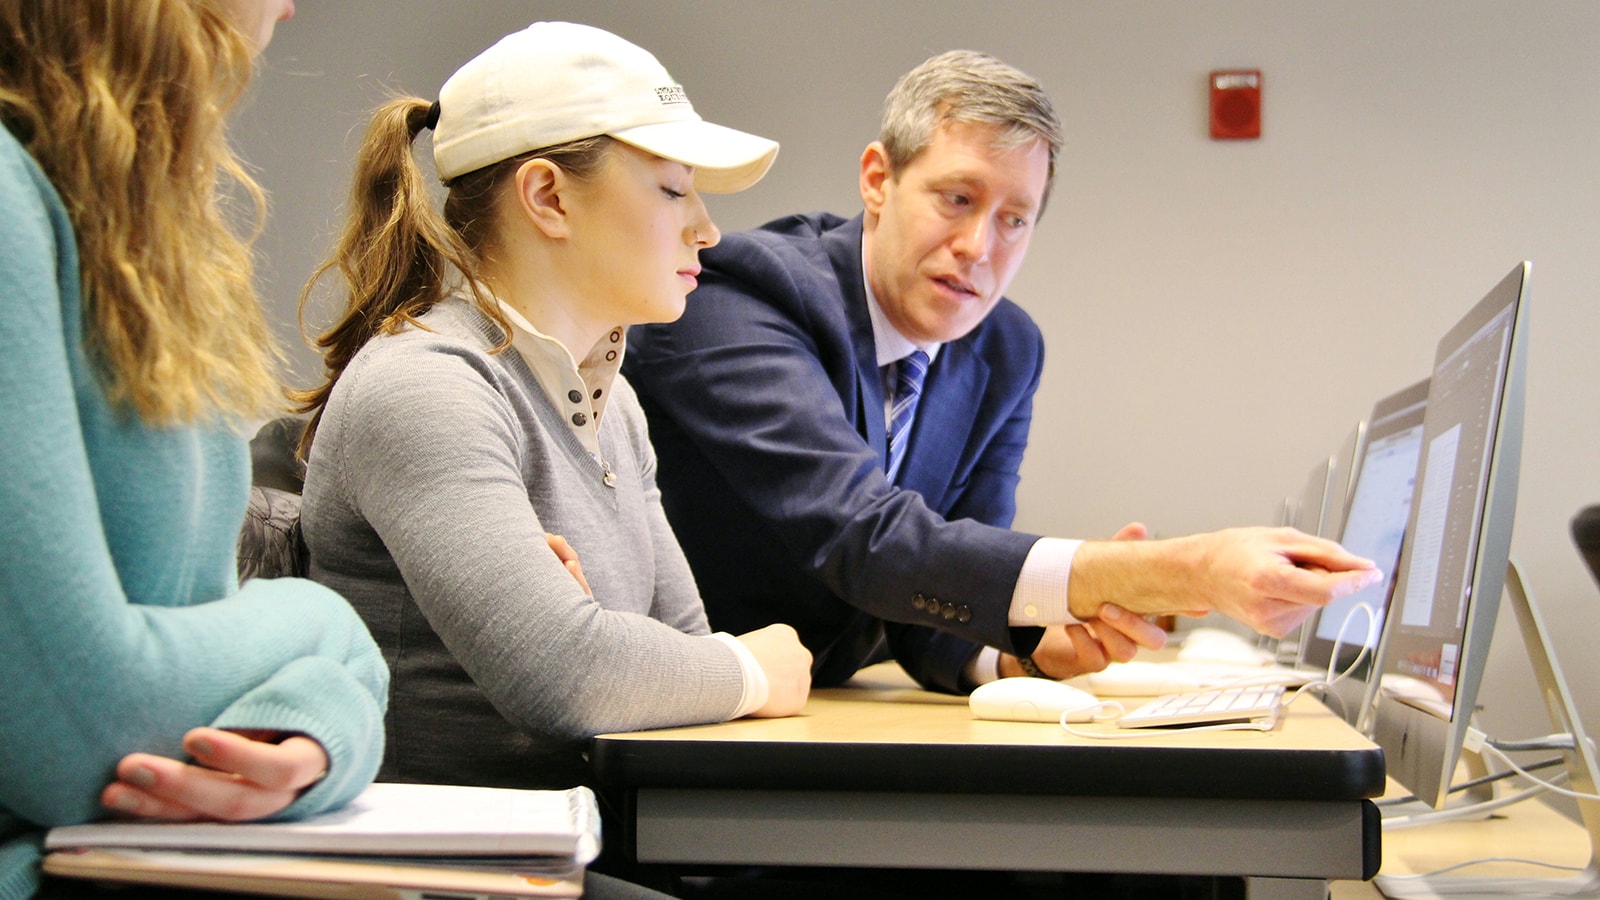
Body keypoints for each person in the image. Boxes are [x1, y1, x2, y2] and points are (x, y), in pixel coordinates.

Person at [622, 49, 1384, 695]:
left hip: (823, 711)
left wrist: (1024, 649)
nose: (978, 246)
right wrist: (1176, 572)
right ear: (878, 180)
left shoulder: (1005, 349)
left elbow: (937, 591)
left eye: (1014, 219)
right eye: (956, 199)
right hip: (684, 707)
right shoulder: (737, 293)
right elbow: (867, 540)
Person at [294, 21, 813, 799]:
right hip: (437, 873)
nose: (706, 229)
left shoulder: (618, 405)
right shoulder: (426, 386)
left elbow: (676, 653)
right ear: (547, 197)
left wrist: (645, 660)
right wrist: (751, 668)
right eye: (673, 189)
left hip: (575, 847)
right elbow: (567, 675)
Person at [0, 1, 388, 898]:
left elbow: (218, 647)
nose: (291, 5)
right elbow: (79, 728)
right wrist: (331, 629)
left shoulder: (120, 224)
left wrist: (321, 726)